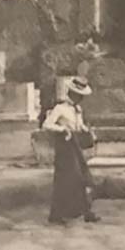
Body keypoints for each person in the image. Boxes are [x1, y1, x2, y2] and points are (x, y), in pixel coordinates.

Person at [42, 76, 101, 225]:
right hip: (64, 147)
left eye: (81, 96)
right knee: (65, 180)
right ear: (71, 93)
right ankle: (57, 215)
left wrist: (86, 130)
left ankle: (86, 211)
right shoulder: (60, 108)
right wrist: (62, 129)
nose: (80, 98)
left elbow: (79, 125)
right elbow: (46, 124)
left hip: (75, 146)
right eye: (78, 95)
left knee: (83, 176)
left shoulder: (78, 110)